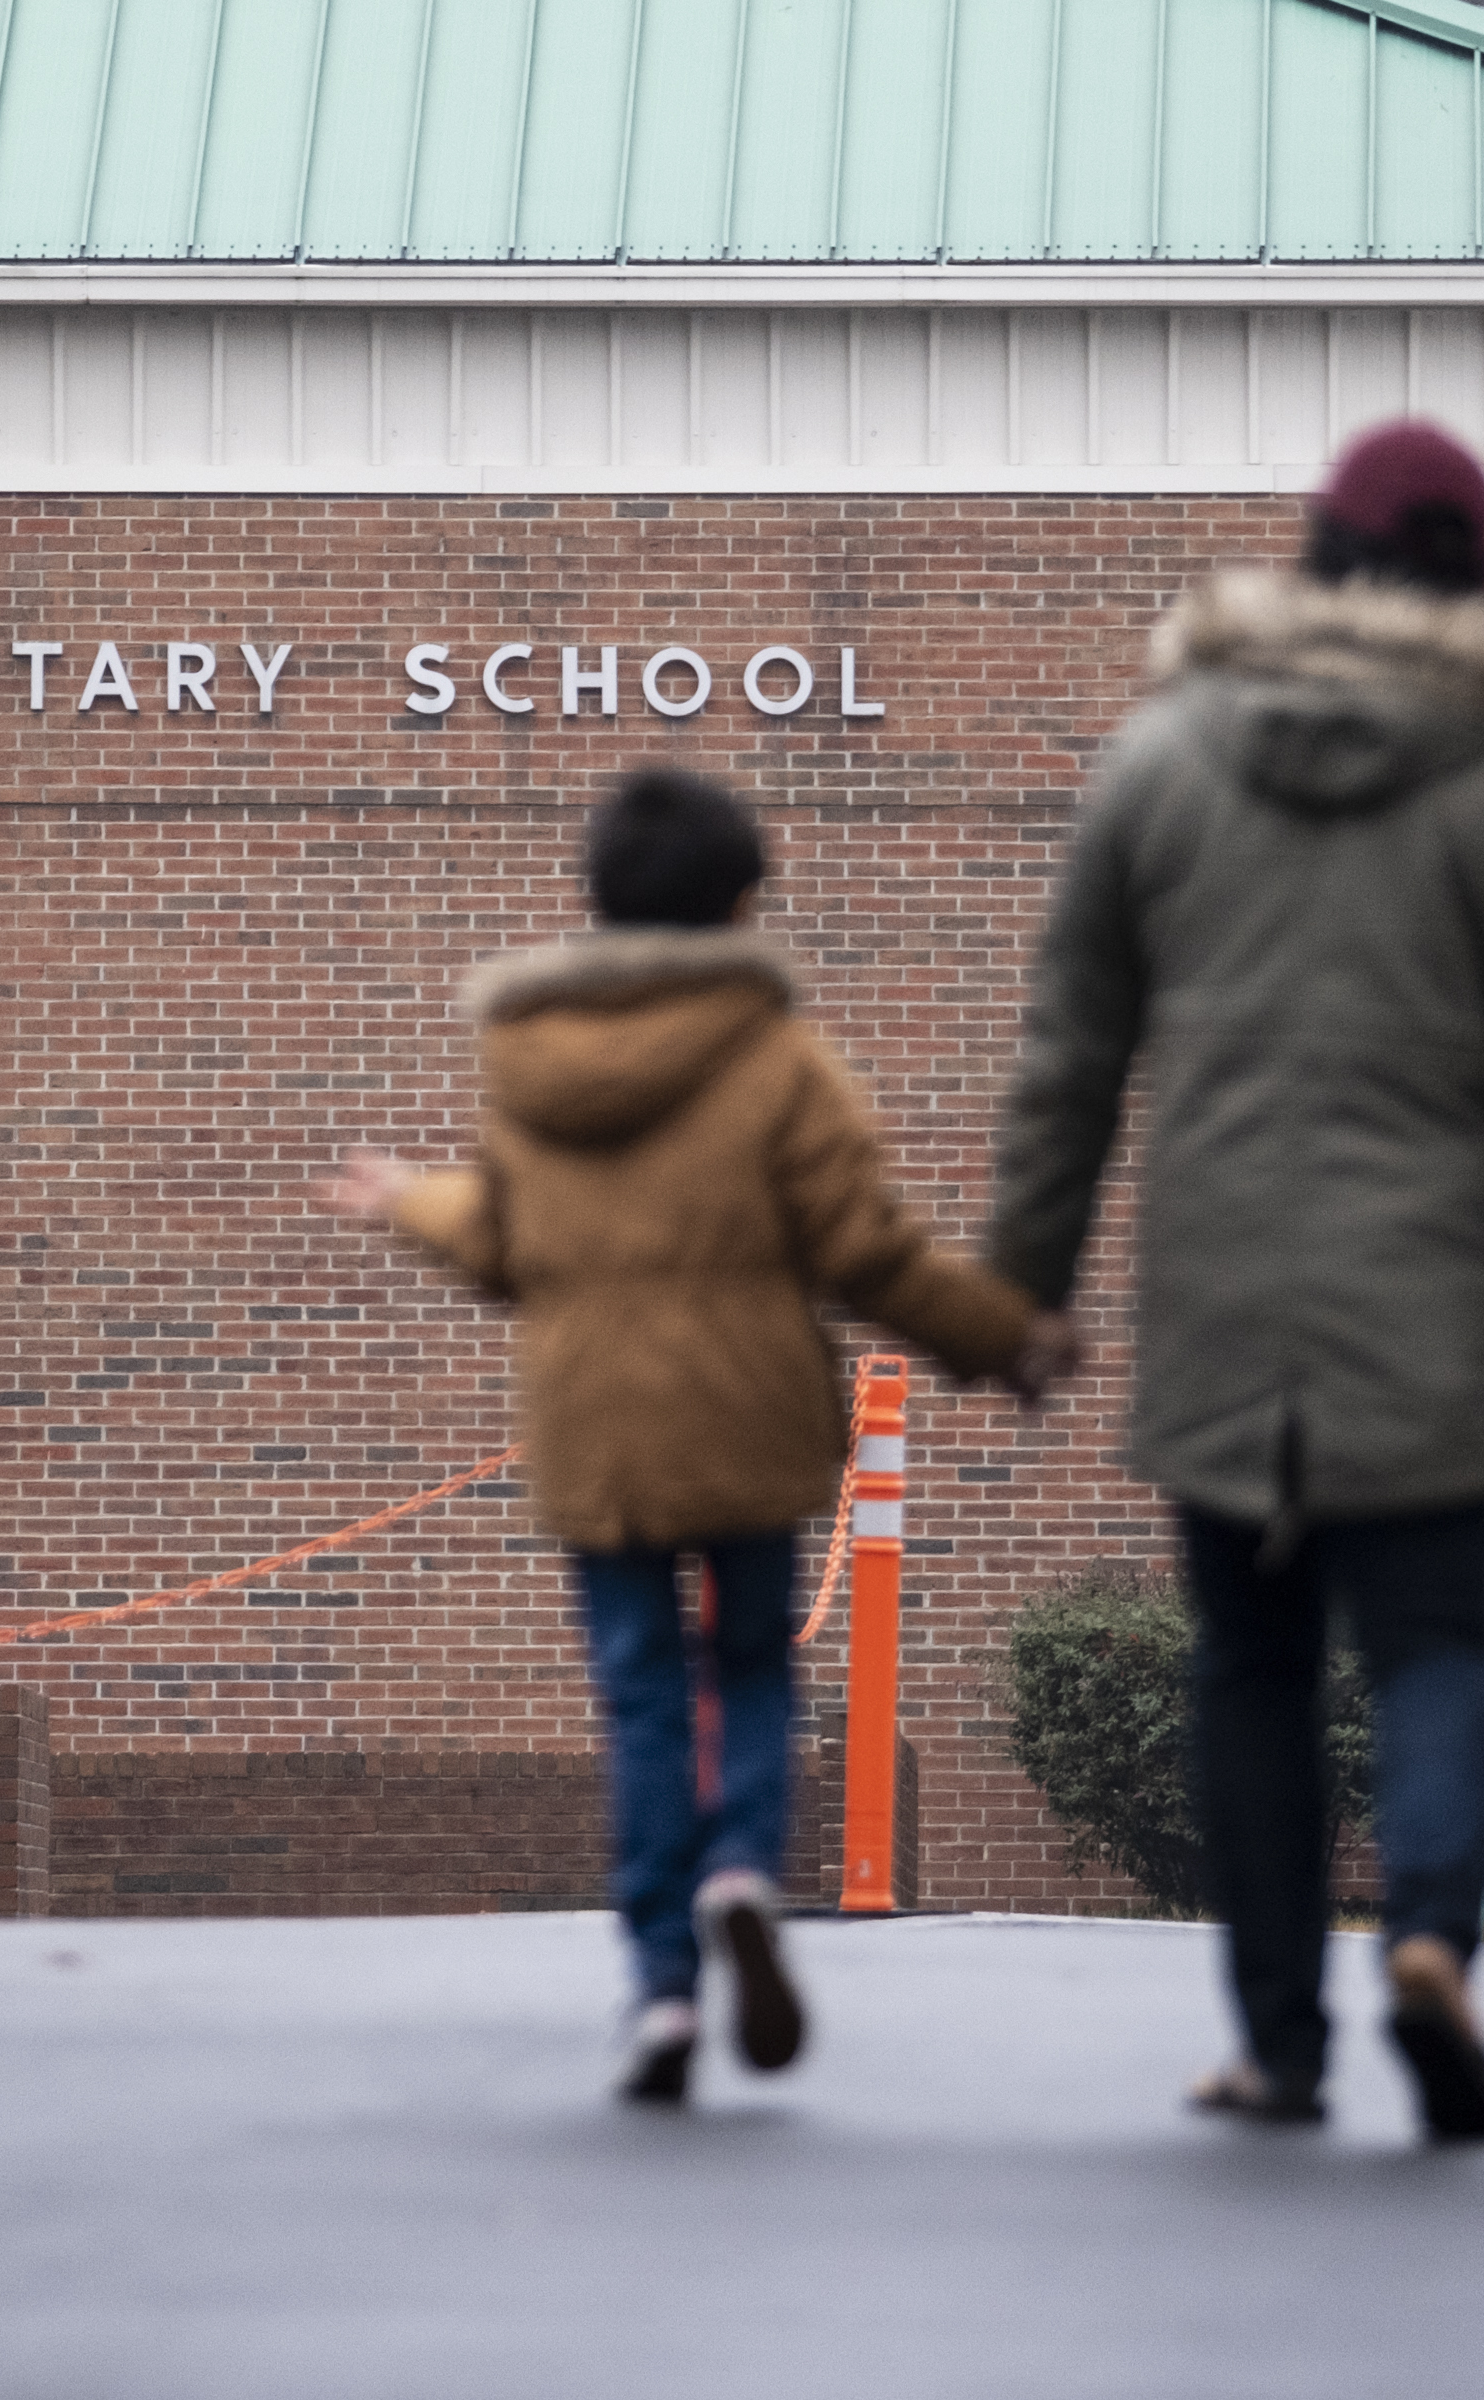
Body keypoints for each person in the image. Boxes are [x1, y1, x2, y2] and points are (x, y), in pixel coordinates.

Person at [987, 421, 1484, 2143]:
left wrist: (1024, 1289)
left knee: (1249, 1666)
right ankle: (1429, 1932)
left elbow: (1071, 1049)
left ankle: (1280, 2043)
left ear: (1316, 558)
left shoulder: (1169, 753)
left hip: (1226, 1301)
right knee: (1430, 1642)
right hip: (1441, 1292)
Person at [326, 766, 1054, 2105]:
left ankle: (663, 1986)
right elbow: (865, 1249)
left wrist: (406, 1200)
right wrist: (996, 1337)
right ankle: (738, 1872)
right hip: (748, 1412)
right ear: (739, 903)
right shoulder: (778, 1058)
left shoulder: (529, 1062)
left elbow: (501, 1244)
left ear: (594, 901)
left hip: (595, 1425)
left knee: (642, 1692)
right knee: (752, 1667)